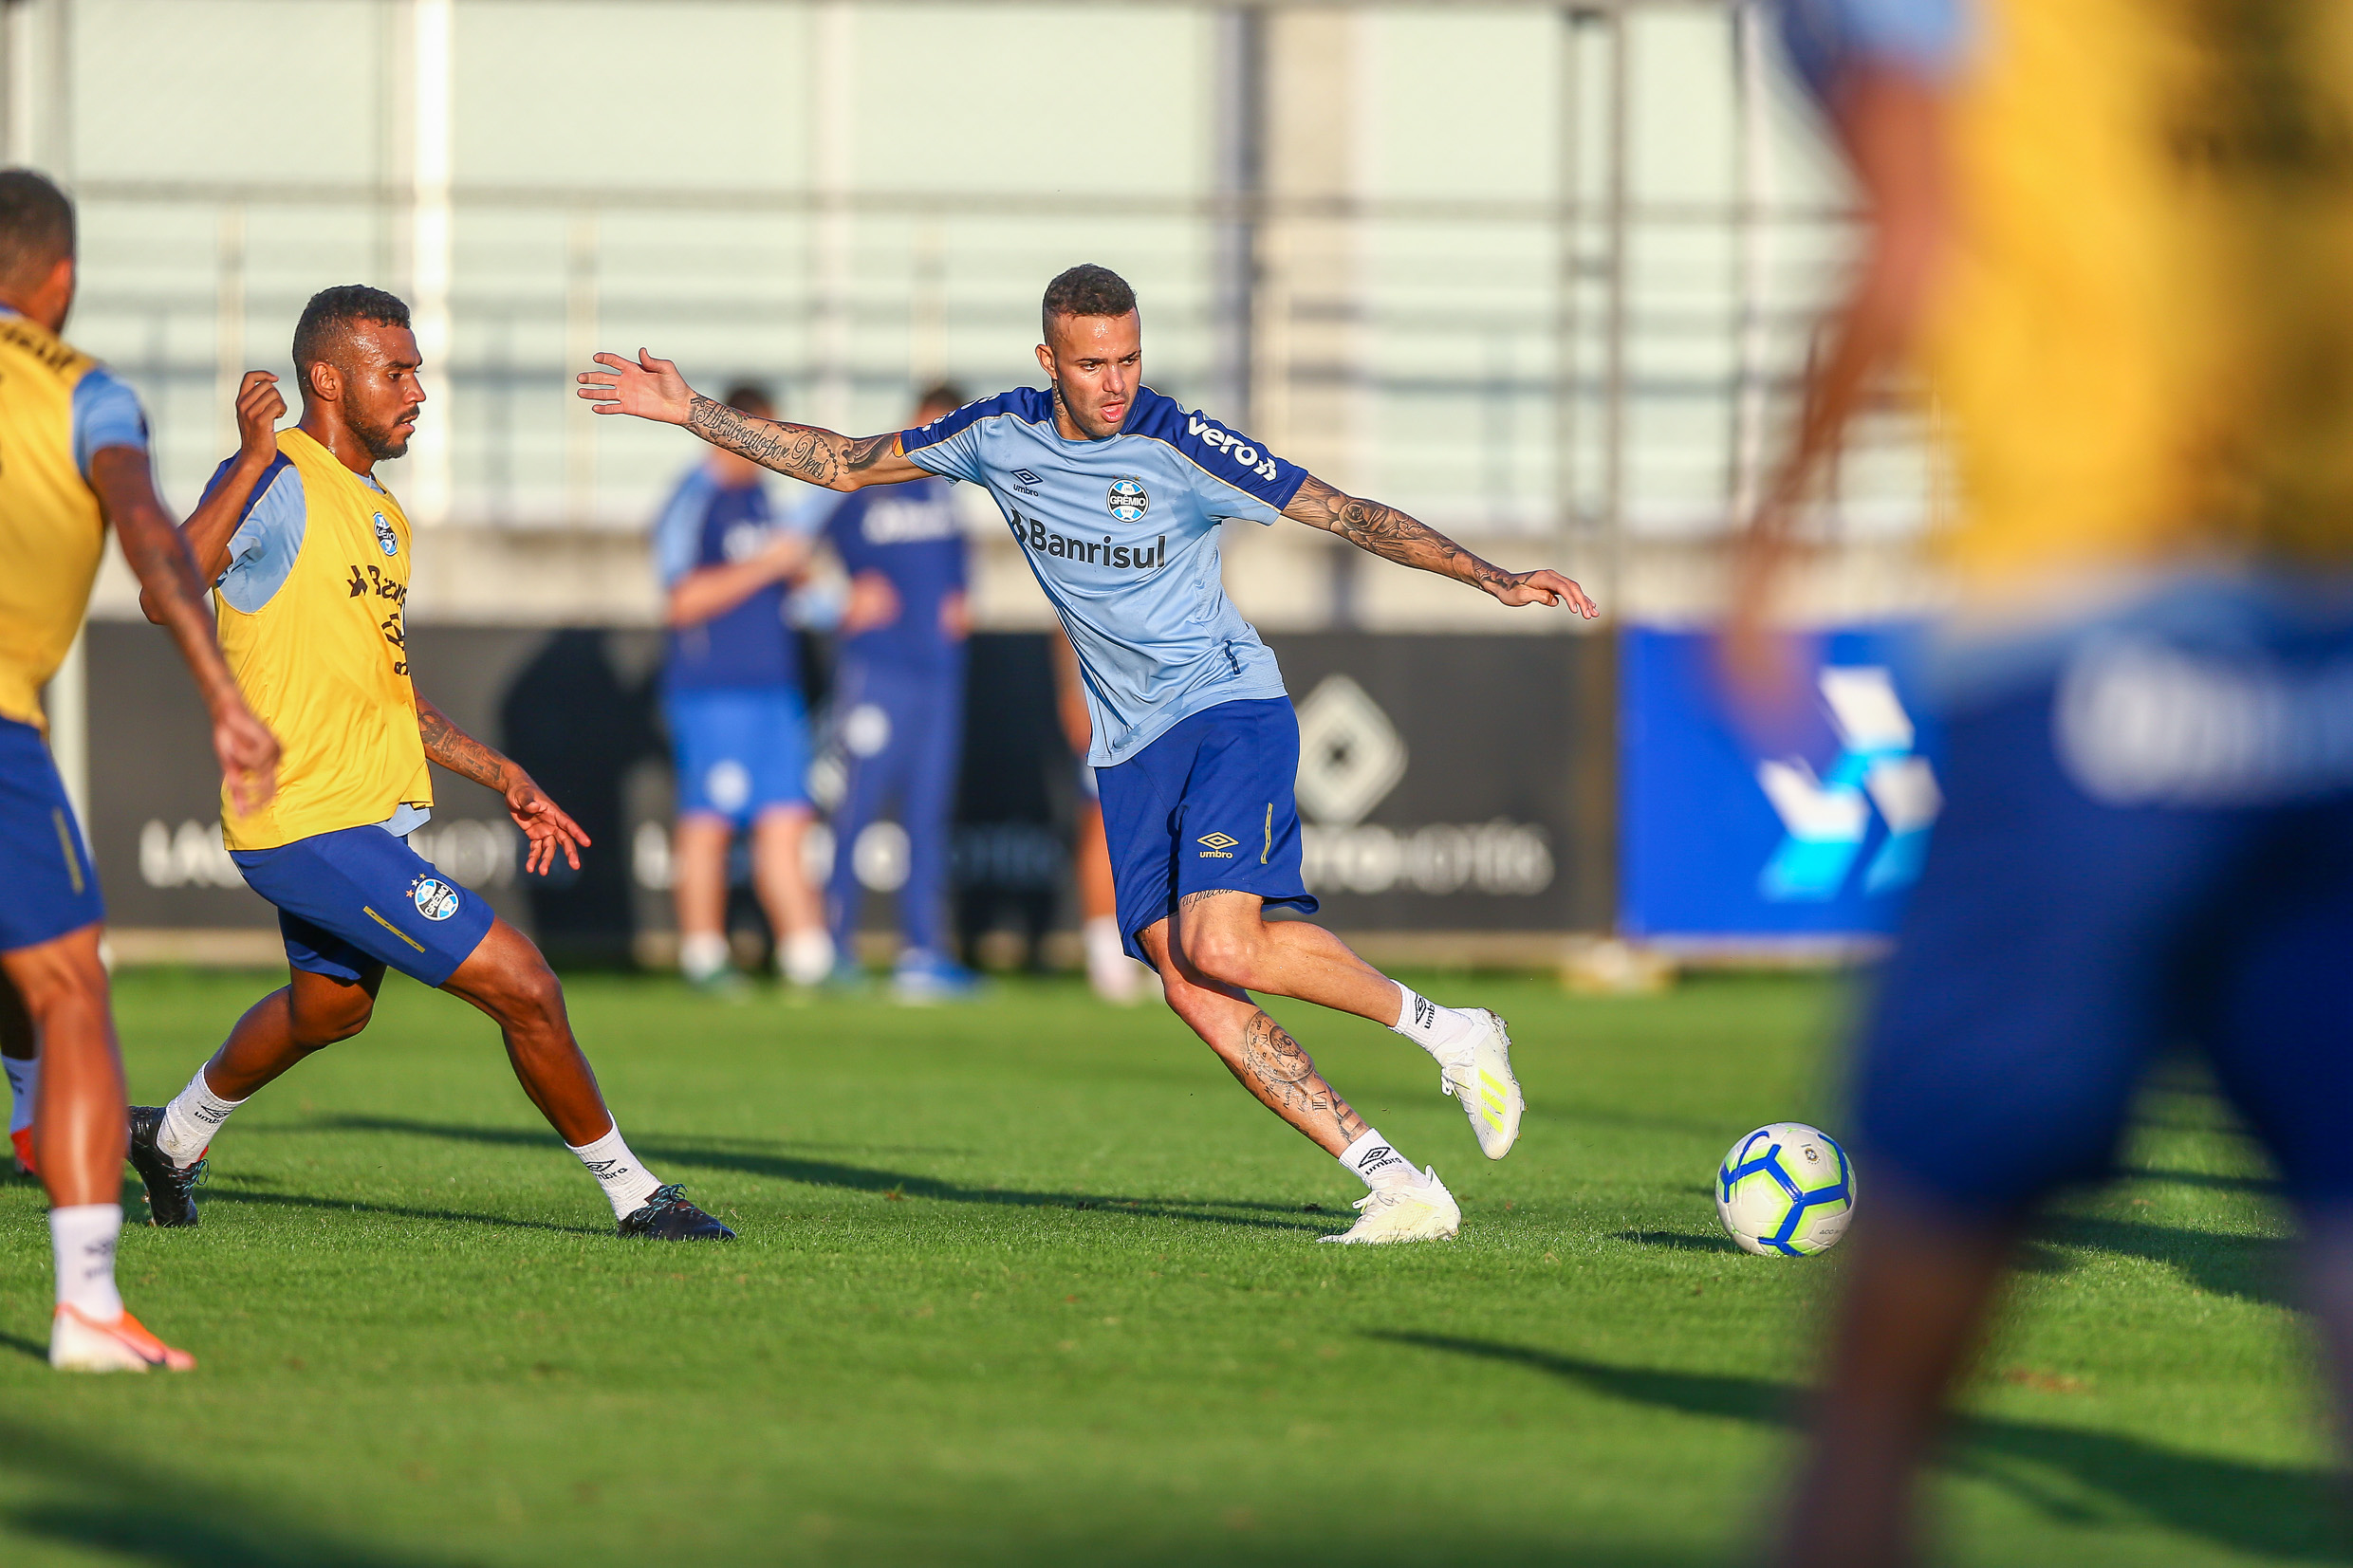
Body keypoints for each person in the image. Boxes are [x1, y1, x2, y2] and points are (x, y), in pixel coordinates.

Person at [581, 264, 1598, 1243]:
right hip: (1127, 746)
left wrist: (1490, 577)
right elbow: (842, 460)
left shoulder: (1184, 443)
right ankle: (1396, 1182)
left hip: (1227, 709)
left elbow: (1344, 512)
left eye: (1129, 361)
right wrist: (691, 413)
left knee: (1223, 944)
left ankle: (1450, 1032)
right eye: (1092, 365)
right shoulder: (996, 433)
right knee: (1190, 983)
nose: (1116, 385)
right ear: (1047, 360)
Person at [1728, 3, 2353, 1561]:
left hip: (2090, 660)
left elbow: (1916, 234)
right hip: (2324, 662)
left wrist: (1767, 540)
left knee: (1889, 1364)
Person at [124, 284, 731, 1244]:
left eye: (416, 370)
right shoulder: (275, 479)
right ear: (327, 377)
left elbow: (389, 686)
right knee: (523, 983)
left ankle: (171, 1136)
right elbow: (164, 590)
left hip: (362, 816)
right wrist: (246, 459)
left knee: (329, 1011)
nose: (416, 391)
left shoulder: (379, 513)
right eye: (394, 371)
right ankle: (635, 1193)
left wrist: (503, 776)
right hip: (302, 820)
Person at [0, 168, 283, 1370]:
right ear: (61, 278)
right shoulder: (89, 396)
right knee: (73, 996)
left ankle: (25, 1107)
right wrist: (225, 698)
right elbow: (155, 547)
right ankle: (87, 1309)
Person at [652, 382, 833, 993]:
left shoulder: (762, 497)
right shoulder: (694, 496)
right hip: (713, 691)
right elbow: (680, 601)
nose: (772, 448)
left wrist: (828, 596)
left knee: (786, 818)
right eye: (765, 434)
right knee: (710, 820)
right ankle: (703, 956)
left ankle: (808, 958)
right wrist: (770, 566)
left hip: (774, 689)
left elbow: (789, 585)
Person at [815, 383, 980, 1001]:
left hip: (937, 676)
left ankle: (923, 950)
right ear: (914, 421)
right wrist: (836, 600)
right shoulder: (870, 479)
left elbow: (957, 581)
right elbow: (799, 556)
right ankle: (833, 948)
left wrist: (960, 606)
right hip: (876, 672)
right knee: (857, 806)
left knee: (926, 814)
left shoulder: (944, 498)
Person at [1051, 628, 1155, 1005]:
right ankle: (1106, 956)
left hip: (1172, 693)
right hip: (1108, 696)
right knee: (1104, 822)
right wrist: (1071, 694)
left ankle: (1165, 952)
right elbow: (1065, 619)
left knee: (1170, 824)